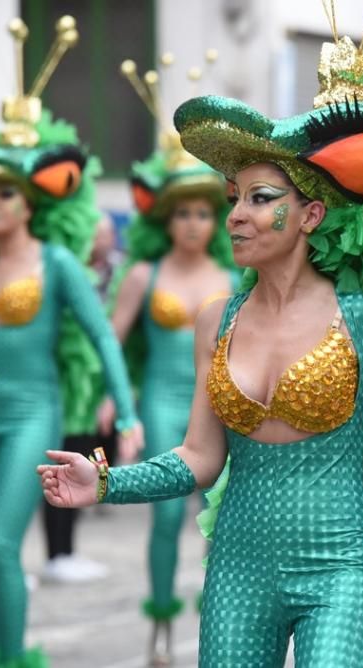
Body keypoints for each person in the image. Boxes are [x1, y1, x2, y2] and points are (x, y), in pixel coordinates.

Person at [40, 15, 363, 666]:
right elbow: (199, 459)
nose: (236, 215)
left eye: (261, 199)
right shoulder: (217, 319)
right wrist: (107, 483)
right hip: (237, 571)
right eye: (234, 197)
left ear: (311, 215)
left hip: (339, 570)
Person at [0, 16, 142, 666]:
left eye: (7, 191)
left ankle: (8, 657)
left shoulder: (57, 264)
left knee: (3, 546)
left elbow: (102, 337)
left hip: (33, 412)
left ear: (31, 200)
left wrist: (130, 410)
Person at [106, 101, 237, 661]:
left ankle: (222, 621)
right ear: (167, 220)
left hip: (221, 404)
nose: (191, 224)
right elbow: (110, 337)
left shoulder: (235, 276)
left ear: (214, 219)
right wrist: (117, 402)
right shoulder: (143, 274)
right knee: (164, 513)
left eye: (201, 214)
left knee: (222, 518)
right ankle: (161, 622)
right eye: (180, 214)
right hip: (161, 399)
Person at [40, 214, 124, 585]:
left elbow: (111, 335)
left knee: (93, 457)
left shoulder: (116, 271)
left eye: (105, 234)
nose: (100, 240)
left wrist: (115, 394)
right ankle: (59, 553)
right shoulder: (60, 268)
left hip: (91, 384)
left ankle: (67, 549)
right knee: (63, 460)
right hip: (63, 384)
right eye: (94, 232)